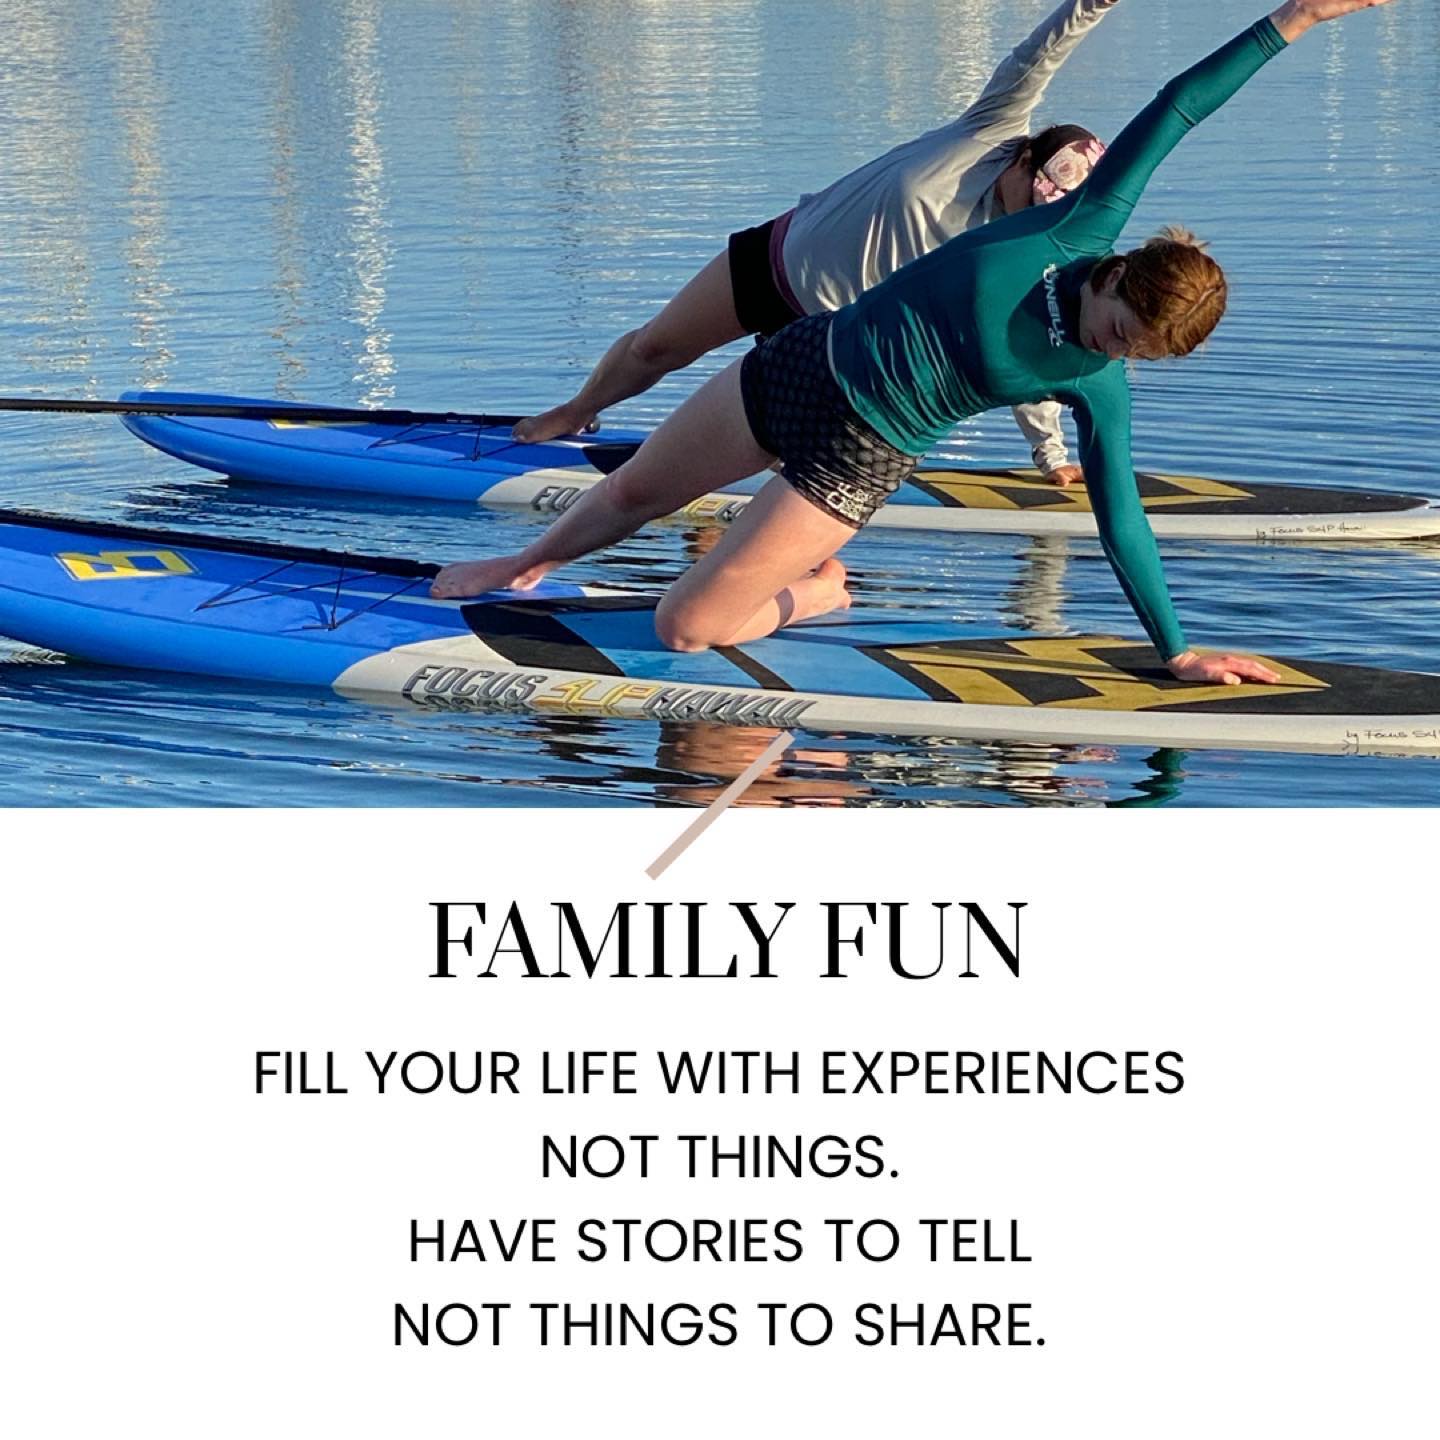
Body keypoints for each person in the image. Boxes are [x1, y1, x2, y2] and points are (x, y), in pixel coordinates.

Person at [433, 0, 1393, 691]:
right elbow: (1181, 103)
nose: (1116, 356)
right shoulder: (1081, 222)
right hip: (804, 360)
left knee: (686, 629)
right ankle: (525, 565)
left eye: (1137, 355)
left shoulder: (1099, 388)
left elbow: (1121, 520)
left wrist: (1177, 647)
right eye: (1118, 333)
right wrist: (1297, 19)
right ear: (1114, 276)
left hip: (861, 455)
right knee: (638, 488)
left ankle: (819, 593)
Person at [514, 0, 1126, 487]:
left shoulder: (1023, 246)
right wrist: (1090, 5)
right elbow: (1036, 58)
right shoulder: (989, 128)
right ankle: (576, 411)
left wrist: (1050, 456)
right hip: (777, 258)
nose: (1034, 206)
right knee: (655, 348)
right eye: (1038, 188)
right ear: (1029, 156)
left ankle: (706, 501)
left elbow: (1028, 340)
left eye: (1053, 206)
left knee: (742, 433)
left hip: (830, 334)